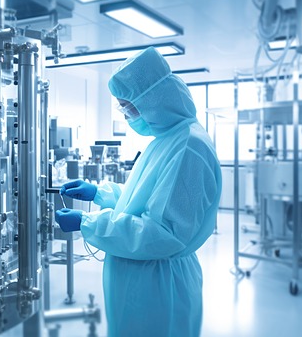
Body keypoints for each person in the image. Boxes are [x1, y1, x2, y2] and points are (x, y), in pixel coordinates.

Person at [55, 47, 221, 337]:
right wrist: (98, 192)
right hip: (143, 282)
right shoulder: (167, 139)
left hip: (158, 290)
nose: (129, 115)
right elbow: (143, 201)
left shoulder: (188, 147)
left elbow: (162, 233)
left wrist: (87, 223)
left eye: (129, 107)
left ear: (154, 99)